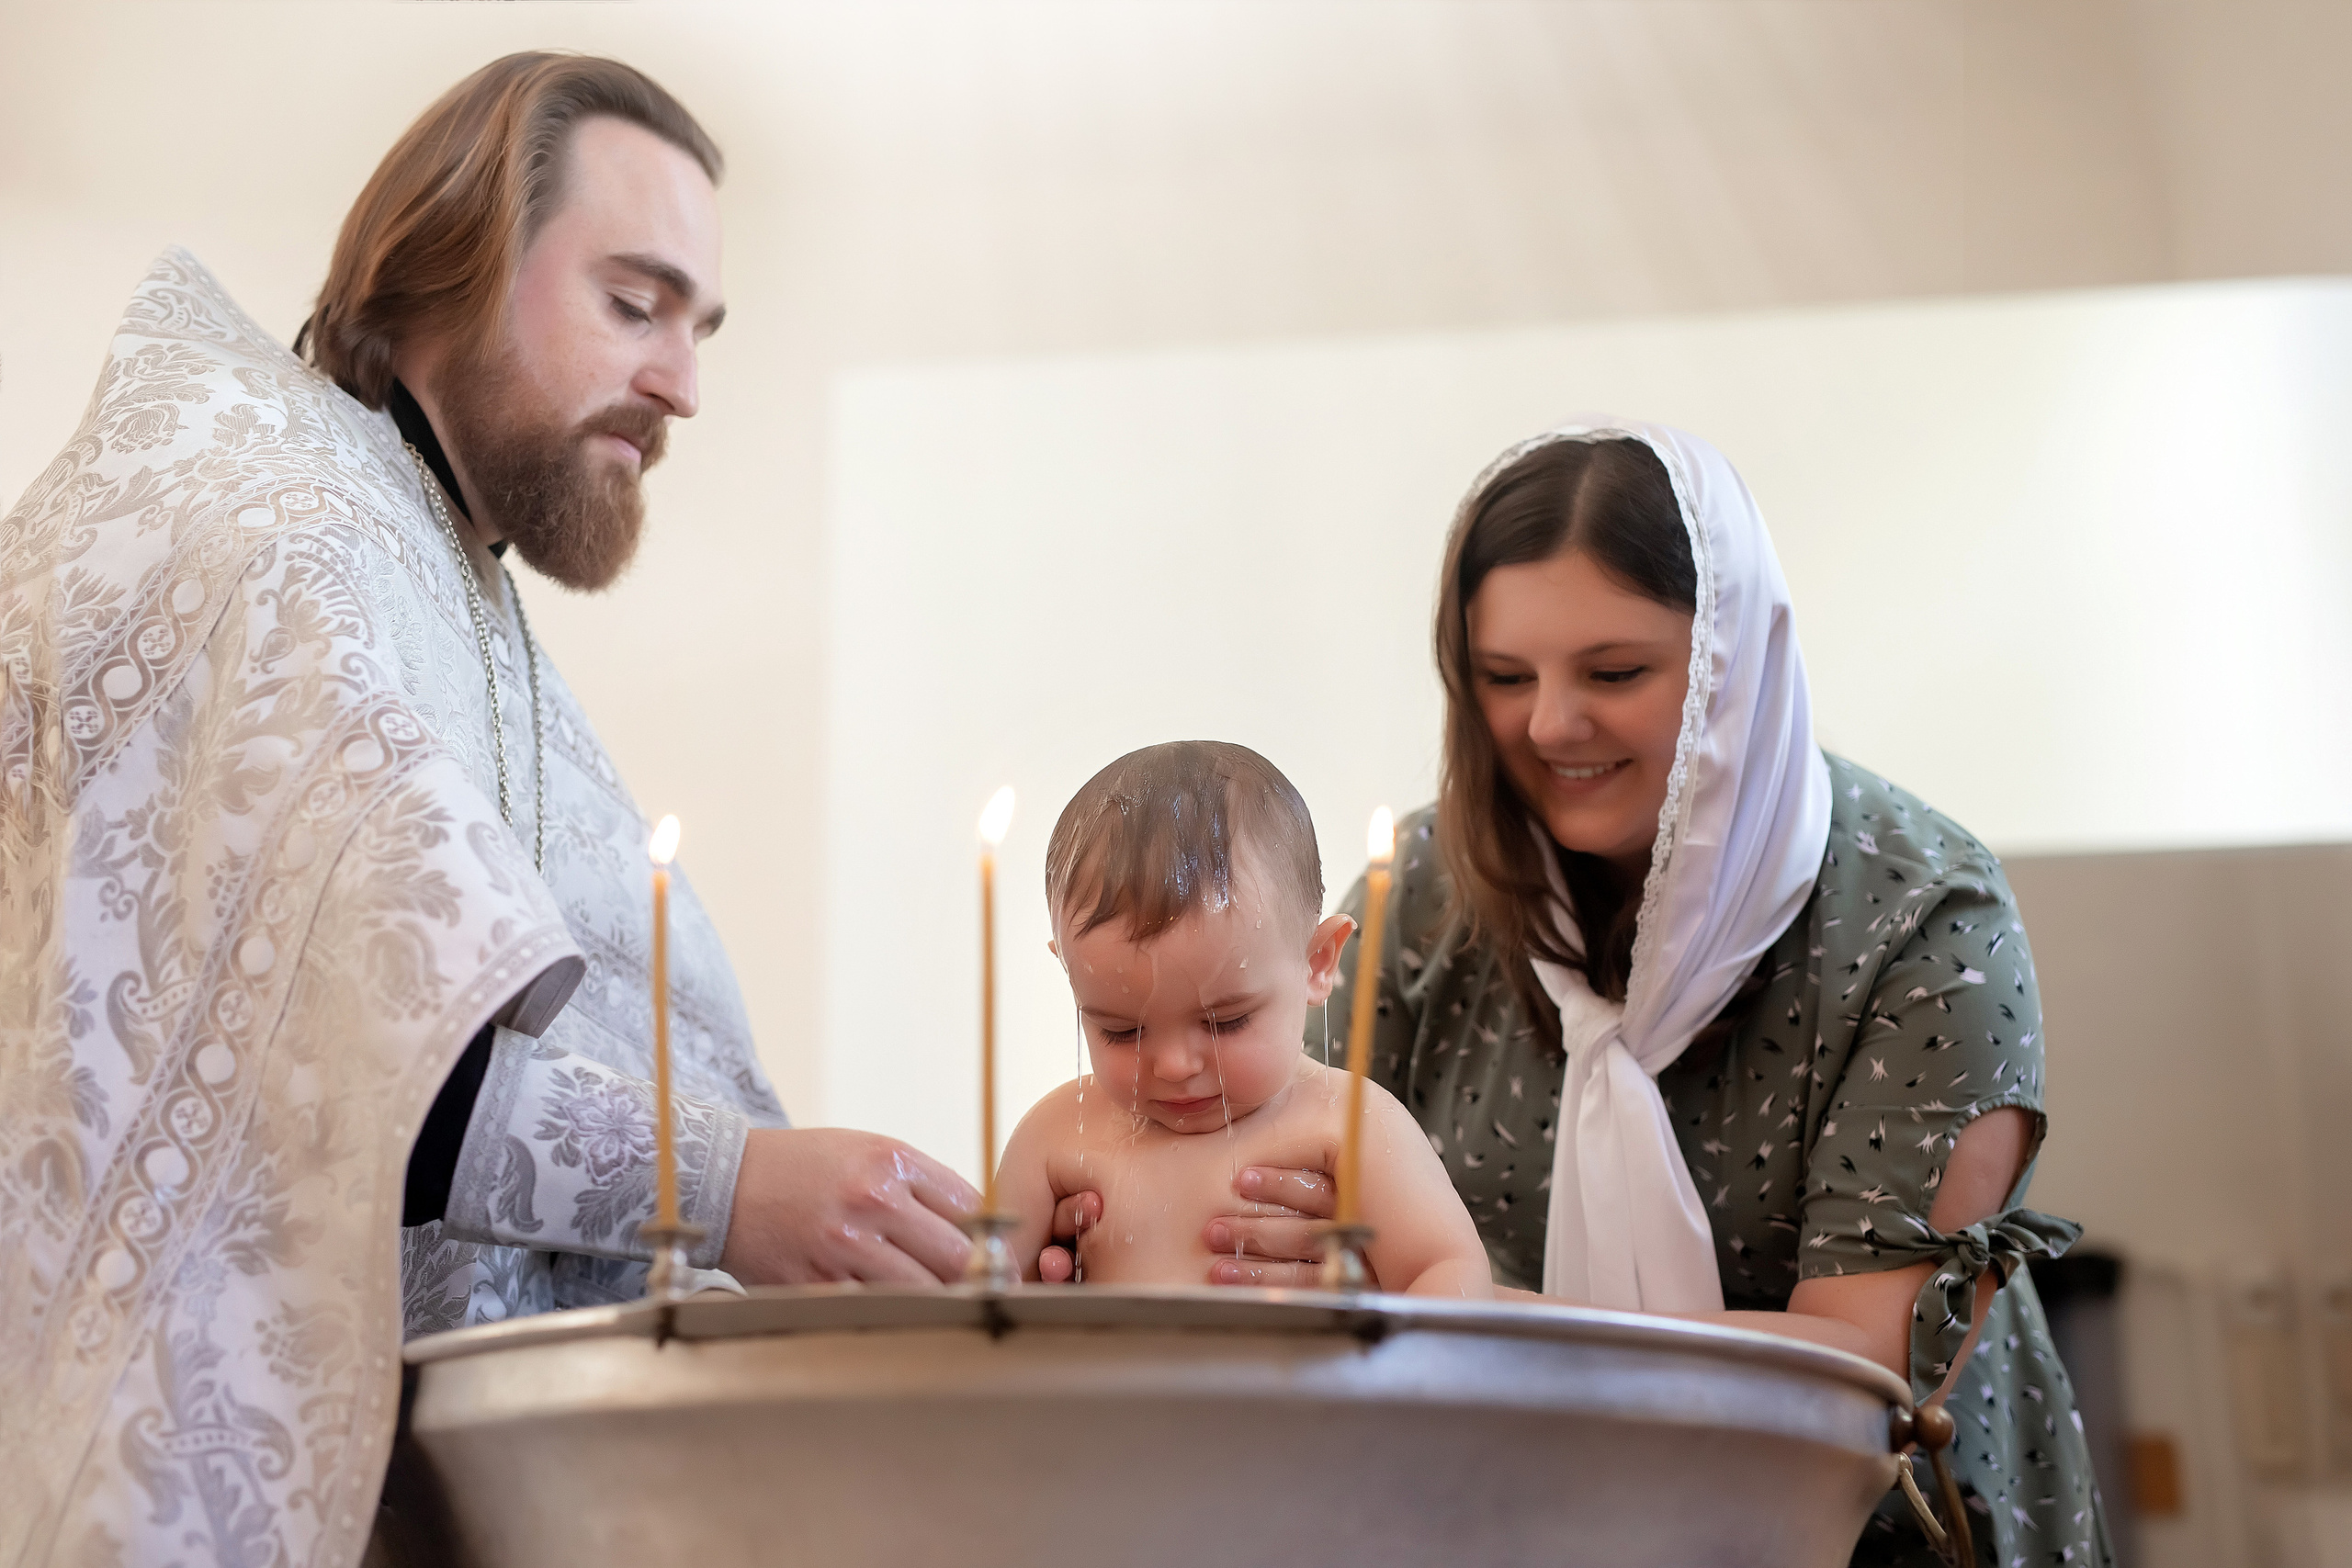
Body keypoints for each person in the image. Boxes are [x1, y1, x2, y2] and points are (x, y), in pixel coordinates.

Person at [0, 54, 978, 1567]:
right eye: (635, 303)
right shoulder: (273, 530)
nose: (683, 385)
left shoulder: (430, 569)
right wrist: (733, 1188)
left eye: (699, 328)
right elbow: (350, 1078)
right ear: (440, 264)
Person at [1042, 422, 2110, 1566]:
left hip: (1873, 1532)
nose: (1550, 724)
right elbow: (1264, 1178)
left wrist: (1447, 1308)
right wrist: (1118, 1230)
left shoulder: (1922, 924)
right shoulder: (1422, 902)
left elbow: (1863, 1370)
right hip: (1507, 1518)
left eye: (1615, 673)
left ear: (1732, 665)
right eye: (1505, 678)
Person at [995, 742, 1490, 1298]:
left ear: (1318, 962)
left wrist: (1390, 1372)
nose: (1175, 1066)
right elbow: (972, 1293)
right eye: (1121, 1031)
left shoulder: (1349, 1125)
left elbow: (1447, 1271)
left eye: (1225, 1022)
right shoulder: (1059, 1133)